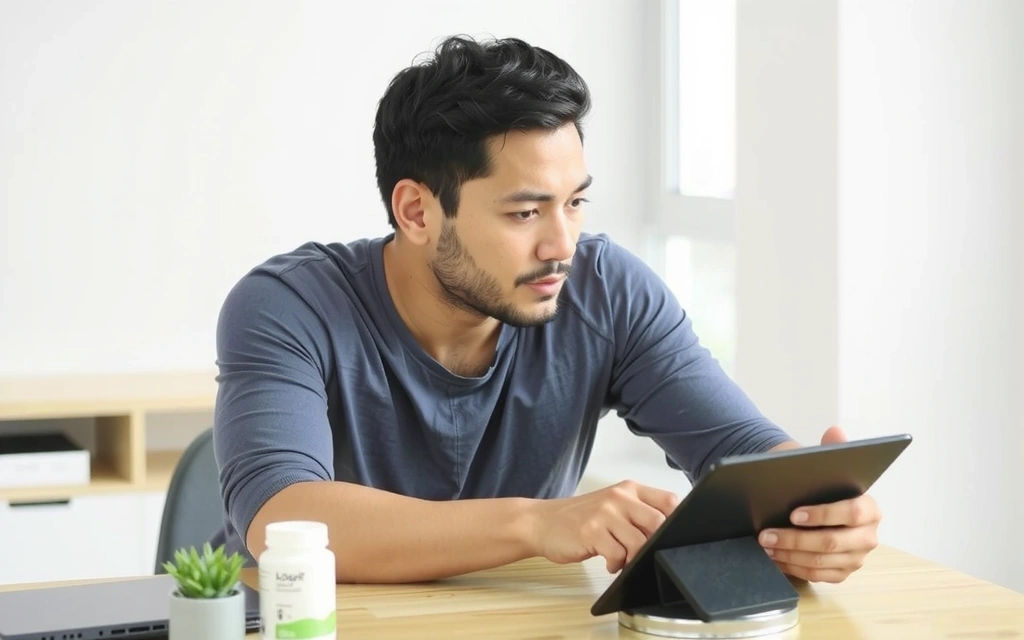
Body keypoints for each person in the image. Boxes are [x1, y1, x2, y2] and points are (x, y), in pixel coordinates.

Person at [209, 35, 881, 585]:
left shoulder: (607, 291)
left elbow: (738, 451)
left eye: (575, 202)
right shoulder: (287, 307)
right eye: (525, 211)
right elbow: (282, 519)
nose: (563, 244)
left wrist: (814, 508)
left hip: (512, 621)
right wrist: (538, 522)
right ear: (417, 210)